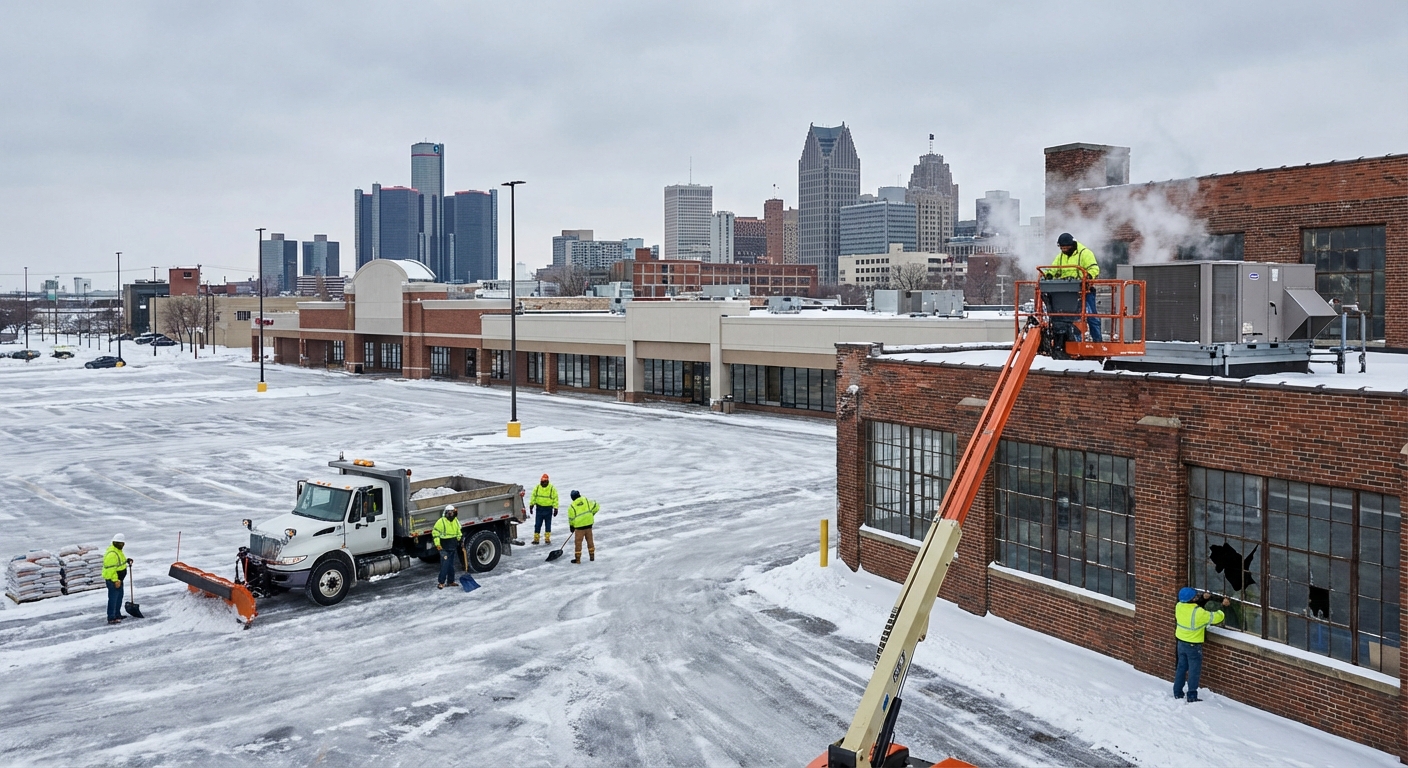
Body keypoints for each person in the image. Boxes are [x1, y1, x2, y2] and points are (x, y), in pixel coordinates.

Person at [1173, 587, 1229, 702]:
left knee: (1181, 668)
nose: (1197, 597)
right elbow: (1216, 617)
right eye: (1196, 596)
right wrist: (1224, 606)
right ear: (1192, 599)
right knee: (1194, 671)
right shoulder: (1198, 613)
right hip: (1193, 645)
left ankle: (1177, 692)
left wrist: (1204, 599)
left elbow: (1194, 607)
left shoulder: (1179, 606)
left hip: (1181, 643)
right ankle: (1192, 695)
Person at [1052, 232, 1102, 342]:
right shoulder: (1060, 257)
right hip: (1067, 293)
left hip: (1085, 291)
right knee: (1066, 318)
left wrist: (1088, 276)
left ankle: (1098, 342)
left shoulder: (1085, 253)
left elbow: (1094, 269)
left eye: (1066, 248)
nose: (1064, 250)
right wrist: (1049, 274)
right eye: (1062, 248)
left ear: (1072, 245)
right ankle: (1073, 341)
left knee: (1091, 316)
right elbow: (1053, 269)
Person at [102, 534, 131, 625]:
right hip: (114, 580)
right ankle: (111, 617)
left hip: (119, 579)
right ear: (116, 543)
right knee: (113, 599)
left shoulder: (118, 551)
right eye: (121, 543)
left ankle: (117, 614)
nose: (123, 545)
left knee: (119, 597)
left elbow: (119, 563)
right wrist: (115, 580)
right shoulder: (112, 554)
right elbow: (110, 569)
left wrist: (127, 561)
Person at [432, 506, 463, 590]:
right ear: (445, 513)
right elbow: (435, 533)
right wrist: (438, 545)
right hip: (444, 548)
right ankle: (441, 582)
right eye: (449, 513)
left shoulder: (455, 521)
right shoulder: (441, 521)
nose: (451, 514)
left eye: (452, 512)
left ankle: (451, 581)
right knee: (444, 565)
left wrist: (460, 539)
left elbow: (458, 531)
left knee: (451, 565)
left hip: (453, 546)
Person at [567, 490, 599, 564]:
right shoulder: (586, 500)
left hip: (579, 527)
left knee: (578, 543)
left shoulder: (572, 506)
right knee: (590, 541)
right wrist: (591, 514)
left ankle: (578, 560)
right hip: (589, 525)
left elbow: (571, 518)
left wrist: (571, 526)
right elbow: (596, 506)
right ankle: (592, 557)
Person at [529, 473, 559, 546]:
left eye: (545, 481)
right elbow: (533, 496)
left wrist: (556, 508)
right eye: (543, 481)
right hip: (539, 509)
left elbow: (555, 498)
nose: (544, 483)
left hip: (548, 509)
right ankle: (536, 539)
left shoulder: (552, 488)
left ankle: (547, 539)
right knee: (537, 524)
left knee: (548, 525)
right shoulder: (537, 488)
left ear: (547, 481)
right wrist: (531, 505)